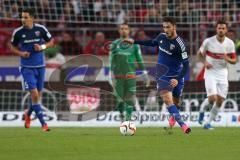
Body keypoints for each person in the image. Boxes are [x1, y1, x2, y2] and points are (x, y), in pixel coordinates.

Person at [124, 17, 191, 134]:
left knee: (176, 102)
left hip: (176, 75)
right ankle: (183, 125)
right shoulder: (161, 37)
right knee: (166, 99)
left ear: (174, 27)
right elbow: (151, 43)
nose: (166, 29)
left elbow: (186, 66)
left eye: (168, 27)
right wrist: (134, 41)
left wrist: (178, 78)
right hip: (162, 75)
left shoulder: (181, 45)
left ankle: (173, 120)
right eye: (164, 27)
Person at [9, 8, 54, 131]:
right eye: (22, 17)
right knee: (34, 94)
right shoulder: (18, 32)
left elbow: (51, 42)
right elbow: (12, 47)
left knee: (37, 97)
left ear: (32, 18)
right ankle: (44, 125)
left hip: (40, 67)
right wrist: (21, 53)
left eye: (25, 17)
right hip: (26, 68)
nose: (23, 19)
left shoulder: (41, 29)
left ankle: (28, 115)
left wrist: (42, 46)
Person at [197, 20, 237, 129]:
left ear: (226, 30)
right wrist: (205, 62)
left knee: (220, 101)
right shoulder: (208, 41)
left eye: (223, 28)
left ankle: (207, 123)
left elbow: (234, 60)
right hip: (210, 72)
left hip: (223, 73)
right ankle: (201, 111)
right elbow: (199, 54)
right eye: (219, 28)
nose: (221, 30)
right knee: (212, 98)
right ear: (216, 29)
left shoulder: (230, 43)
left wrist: (226, 58)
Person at [109, 23, 150, 121]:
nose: (124, 30)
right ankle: (121, 115)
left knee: (130, 99)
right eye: (122, 28)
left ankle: (127, 120)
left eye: (126, 28)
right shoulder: (114, 44)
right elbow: (111, 60)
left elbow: (139, 59)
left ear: (129, 30)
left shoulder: (135, 45)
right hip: (118, 76)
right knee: (119, 101)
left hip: (131, 76)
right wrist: (110, 74)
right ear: (119, 30)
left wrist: (145, 74)